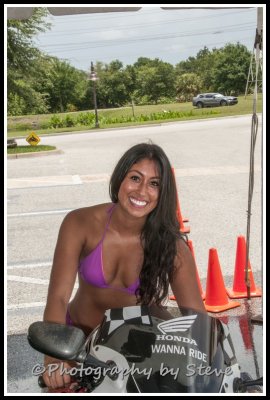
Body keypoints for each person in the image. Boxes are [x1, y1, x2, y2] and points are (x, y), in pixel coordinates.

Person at [42, 142, 206, 389]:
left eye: (154, 184)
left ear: (163, 193)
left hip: (132, 353)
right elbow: (58, 297)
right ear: (120, 179)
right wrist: (54, 357)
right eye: (135, 178)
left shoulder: (173, 248)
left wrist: (207, 372)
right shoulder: (79, 223)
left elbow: (198, 319)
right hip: (75, 344)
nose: (142, 191)